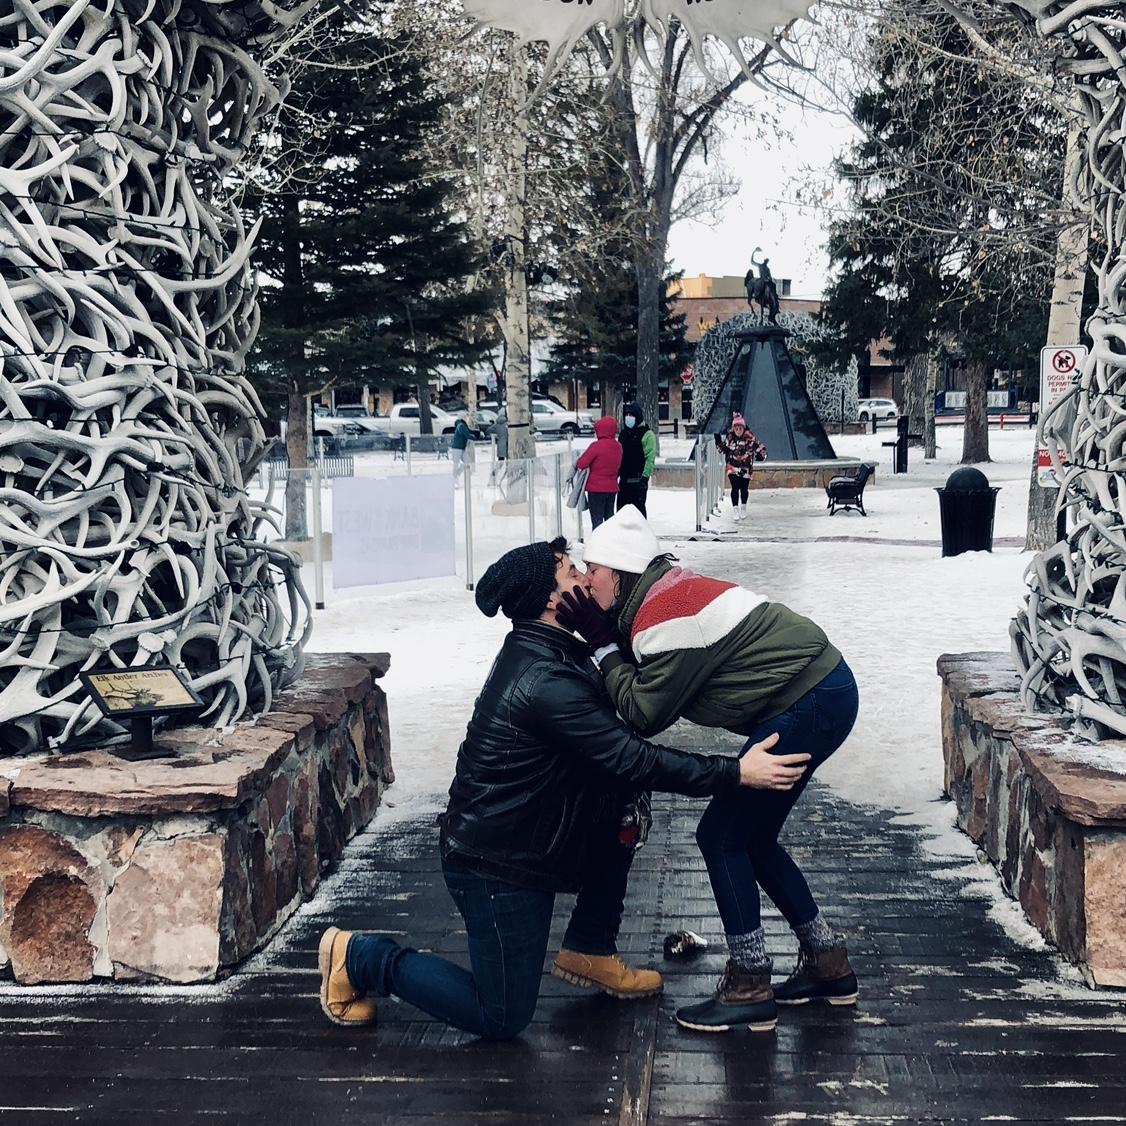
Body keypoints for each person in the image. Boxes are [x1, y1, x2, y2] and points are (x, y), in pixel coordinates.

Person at [318, 538, 805, 1041]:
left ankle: (591, 945)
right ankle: (359, 958)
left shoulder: (555, 650)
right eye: (573, 572)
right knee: (501, 1016)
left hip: (534, 835)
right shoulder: (545, 680)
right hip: (496, 862)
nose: (586, 578)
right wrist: (735, 772)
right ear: (552, 600)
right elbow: (632, 756)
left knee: (623, 803)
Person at [557, 506, 860, 1034]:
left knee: (721, 836)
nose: (586, 578)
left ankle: (750, 984)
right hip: (819, 690)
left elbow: (644, 713)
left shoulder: (668, 615)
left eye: (593, 569)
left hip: (810, 699)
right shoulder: (659, 596)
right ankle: (827, 962)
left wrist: (603, 645)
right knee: (752, 837)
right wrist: (609, 638)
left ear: (620, 573)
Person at [715, 412, 766, 523]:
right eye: (736, 428)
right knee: (735, 487)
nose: (738, 431)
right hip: (732, 466)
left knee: (744, 488)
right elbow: (723, 449)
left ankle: (743, 507)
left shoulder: (750, 438)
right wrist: (718, 442)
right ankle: (735, 509)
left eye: (740, 428)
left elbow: (760, 448)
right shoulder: (730, 439)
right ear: (733, 429)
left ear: (743, 428)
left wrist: (761, 455)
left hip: (745, 467)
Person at [575, 416, 622, 529]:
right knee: (609, 518)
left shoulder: (596, 446)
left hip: (596, 489)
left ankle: (598, 539)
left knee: (597, 521)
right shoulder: (618, 446)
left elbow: (581, 464)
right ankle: (611, 538)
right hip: (612, 488)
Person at [617, 401, 656, 516]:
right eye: (627, 415)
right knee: (621, 515)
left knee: (638, 515)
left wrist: (645, 478)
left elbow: (650, 458)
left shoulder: (647, 434)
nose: (628, 417)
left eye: (631, 415)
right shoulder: (623, 434)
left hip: (638, 481)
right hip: (624, 482)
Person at [450, 412, 475, 482]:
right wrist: (476, 437)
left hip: (462, 447)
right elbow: (468, 435)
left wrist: (476, 433)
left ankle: (456, 475)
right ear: (462, 417)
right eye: (465, 417)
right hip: (457, 447)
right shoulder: (461, 425)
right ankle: (454, 479)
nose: (466, 418)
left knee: (467, 461)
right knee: (456, 463)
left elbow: (469, 431)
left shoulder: (462, 425)